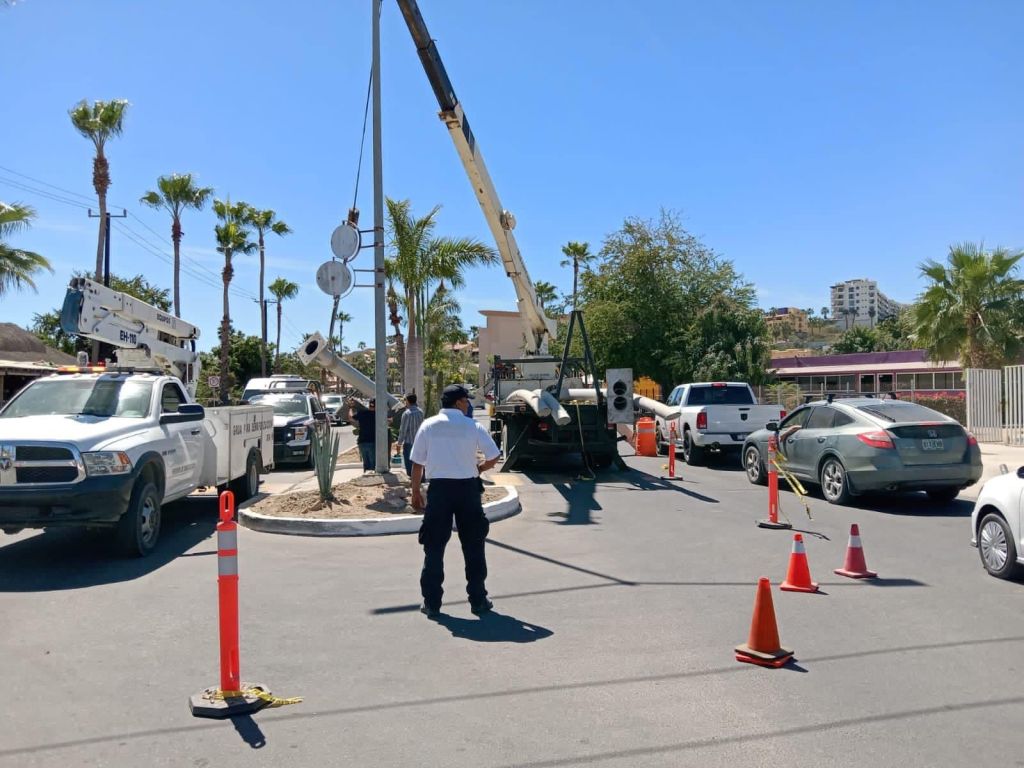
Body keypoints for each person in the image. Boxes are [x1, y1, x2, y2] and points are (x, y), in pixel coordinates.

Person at [410, 383, 501, 619]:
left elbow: (417, 463)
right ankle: (478, 600)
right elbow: (494, 456)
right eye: (466, 400)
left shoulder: (428, 425)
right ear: (459, 403)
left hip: (439, 490)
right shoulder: (472, 426)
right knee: (473, 546)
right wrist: (478, 468)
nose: (469, 404)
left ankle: (432, 603)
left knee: (434, 547)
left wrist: (415, 492)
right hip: (468, 490)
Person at [397, 393, 425, 477]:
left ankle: (412, 479)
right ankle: (421, 478)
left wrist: (399, 443)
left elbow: (403, 430)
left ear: (408, 401)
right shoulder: (420, 412)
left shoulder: (406, 414)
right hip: (420, 441)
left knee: (409, 463)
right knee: (419, 461)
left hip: (409, 442)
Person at [350, 397, 378, 472]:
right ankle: (372, 478)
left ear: (369, 405)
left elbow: (351, 418)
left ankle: (366, 475)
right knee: (373, 463)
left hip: (362, 442)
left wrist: (350, 408)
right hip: (373, 442)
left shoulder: (362, 413)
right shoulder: (379, 415)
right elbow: (390, 420)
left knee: (366, 462)